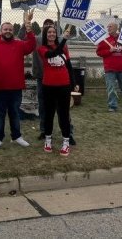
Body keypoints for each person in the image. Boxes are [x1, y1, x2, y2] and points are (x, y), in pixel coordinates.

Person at [0, 14, 35, 150]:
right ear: (1, 31)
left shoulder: (19, 44)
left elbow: (31, 45)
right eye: (5, 29)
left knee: (14, 112)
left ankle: (16, 136)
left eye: (10, 30)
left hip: (15, 86)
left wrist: (29, 30)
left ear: (13, 31)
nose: (8, 31)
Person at [37, 24, 78, 156]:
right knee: (49, 114)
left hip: (64, 85)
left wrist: (74, 82)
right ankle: (48, 140)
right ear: (45, 35)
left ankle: (66, 141)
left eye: (54, 32)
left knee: (64, 114)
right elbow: (52, 54)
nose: (51, 34)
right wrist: (64, 39)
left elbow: (69, 65)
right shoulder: (42, 48)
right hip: (48, 86)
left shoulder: (64, 47)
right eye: (49, 32)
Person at [96, 21, 122, 112]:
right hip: (109, 68)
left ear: (116, 28)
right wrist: (109, 51)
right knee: (111, 88)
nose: (108, 28)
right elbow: (99, 52)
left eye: (110, 26)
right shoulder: (104, 39)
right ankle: (112, 106)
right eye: (108, 26)